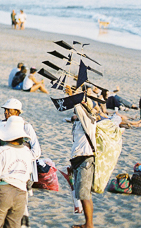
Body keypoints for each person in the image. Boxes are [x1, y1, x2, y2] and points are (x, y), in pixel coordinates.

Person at [0, 117, 35, 228]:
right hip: (21, 193)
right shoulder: (27, 152)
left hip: (3, 191)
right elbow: (29, 174)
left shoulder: (2, 151)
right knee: (14, 224)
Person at [70, 97, 97, 228]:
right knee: (83, 193)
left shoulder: (89, 120)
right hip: (78, 159)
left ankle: (89, 224)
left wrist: (74, 98)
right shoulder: (80, 122)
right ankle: (88, 223)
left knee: (84, 194)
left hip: (85, 160)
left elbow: (79, 110)